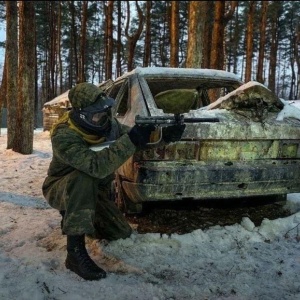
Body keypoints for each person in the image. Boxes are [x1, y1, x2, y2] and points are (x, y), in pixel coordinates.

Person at [42, 82, 185, 281]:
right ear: (82, 114)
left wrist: (163, 136)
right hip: (61, 188)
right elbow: (96, 166)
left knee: (120, 233)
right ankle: (74, 251)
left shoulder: (109, 124)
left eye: (104, 112)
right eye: (96, 115)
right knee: (83, 177)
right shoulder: (64, 134)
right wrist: (132, 140)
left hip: (94, 193)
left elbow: (135, 140)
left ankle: (80, 217)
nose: (102, 119)